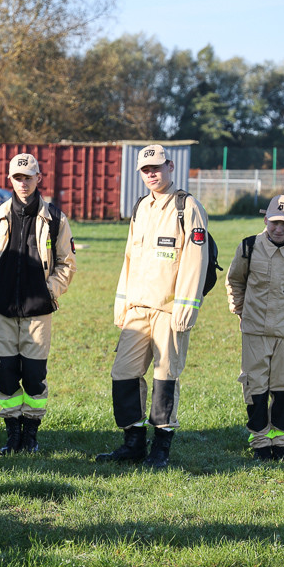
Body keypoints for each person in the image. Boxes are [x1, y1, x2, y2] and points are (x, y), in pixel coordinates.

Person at [98, 144, 210, 469]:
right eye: (146, 170)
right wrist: (123, 302)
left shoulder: (186, 207)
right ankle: (133, 442)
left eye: (156, 168)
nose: (151, 174)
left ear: (170, 166)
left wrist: (187, 305)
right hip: (137, 308)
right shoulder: (140, 207)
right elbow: (129, 259)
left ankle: (161, 448)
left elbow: (196, 260)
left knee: (165, 376)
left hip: (170, 309)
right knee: (123, 374)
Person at [0, 153, 77, 453]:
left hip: (38, 312)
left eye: (28, 177)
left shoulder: (55, 219)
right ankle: (12, 434)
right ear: (10, 179)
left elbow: (67, 264)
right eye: (17, 178)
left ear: (38, 178)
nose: (23, 183)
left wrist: (50, 293)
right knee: (6, 374)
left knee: (34, 376)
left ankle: (30, 432)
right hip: (2, 309)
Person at [226, 194, 284, 460]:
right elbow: (235, 281)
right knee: (254, 385)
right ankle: (259, 443)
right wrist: (240, 310)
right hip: (254, 330)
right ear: (266, 219)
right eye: (275, 223)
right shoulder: (248, 247)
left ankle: (280, 443)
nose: (280, 229)